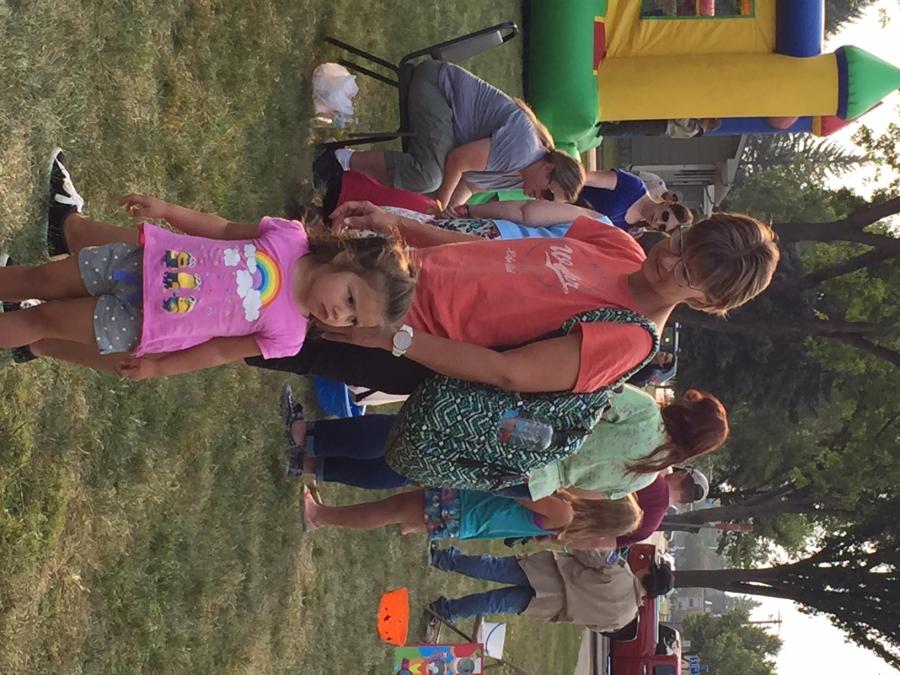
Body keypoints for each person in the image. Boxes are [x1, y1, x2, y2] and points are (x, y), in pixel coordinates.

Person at [23, 197, 780, 401]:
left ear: (707, 301)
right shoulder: (618, 244)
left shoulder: (632, 340)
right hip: (389, 270)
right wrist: (405, 226)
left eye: (689, 273)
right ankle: (71, 246)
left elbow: (511, 373)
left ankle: (43, 335)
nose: (670, 260)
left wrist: (393, 341)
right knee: (223, 265)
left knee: (199, 331)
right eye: (685, 243)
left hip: (383, 330)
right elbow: (494, 251)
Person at [0, 149, 416, 379]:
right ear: (346, 258)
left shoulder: (288, 338)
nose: (339, 314)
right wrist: (168, 210)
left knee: (43, 320)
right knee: (39, 278)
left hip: (140, 322)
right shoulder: (289, 237)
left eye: (351, 320)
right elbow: (222, 229)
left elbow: (217, 351)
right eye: (349, 298)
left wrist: (158, 367)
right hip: (137, 261)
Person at [279, 385, 728, 499]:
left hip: (521, 434)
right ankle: (315, 467)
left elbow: (592, 393)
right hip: (530, 482)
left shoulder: (646, 411)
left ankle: (308, 435)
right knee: (417, 466)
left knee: (412, 430)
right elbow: (589, 492)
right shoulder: (646, 477)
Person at [315, 60, 585, 208]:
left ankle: (350, 180)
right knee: (429, 177)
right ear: (548, 168)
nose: (541, 198)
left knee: (430, 188)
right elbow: (458, 161)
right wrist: (440, 204)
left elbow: (469, 184)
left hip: (450, 124)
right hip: (437, 88)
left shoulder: (521, 177)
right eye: (549, 194)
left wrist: (449, 215)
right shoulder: (523, 151)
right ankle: (339, 159)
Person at [301, 484, 642, 549]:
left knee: (390, 509)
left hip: (464, 508)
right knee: (396, 508)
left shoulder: (563, 510)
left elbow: (516, 491)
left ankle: (319, 515)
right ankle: (324, 513)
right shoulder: (565, 516)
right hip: (465, 514)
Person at [425, 546, 674, 629]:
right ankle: (446, 611)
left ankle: (442, 559)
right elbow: (592, 625)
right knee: (494, 603)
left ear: (649, 572)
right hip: (550, 607)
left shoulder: (621, 569)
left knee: (493, 568)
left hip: (549, 572)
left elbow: (585, 553)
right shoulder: (625, 618)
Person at [578, 169, 693, 233]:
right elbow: (583, 177)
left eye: (662, 227)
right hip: (570, 192)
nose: (658, 221)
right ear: (669, 203)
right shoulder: (634, 186)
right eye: (665, 216)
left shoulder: (629, 229)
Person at [597, 118, 722, 139]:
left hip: (662, 125)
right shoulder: (696, 130)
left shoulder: (694, 128)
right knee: (632, 125)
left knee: (633, 127)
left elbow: (680, 119)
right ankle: (606, 127)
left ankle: (604, 130)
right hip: (661, 127)